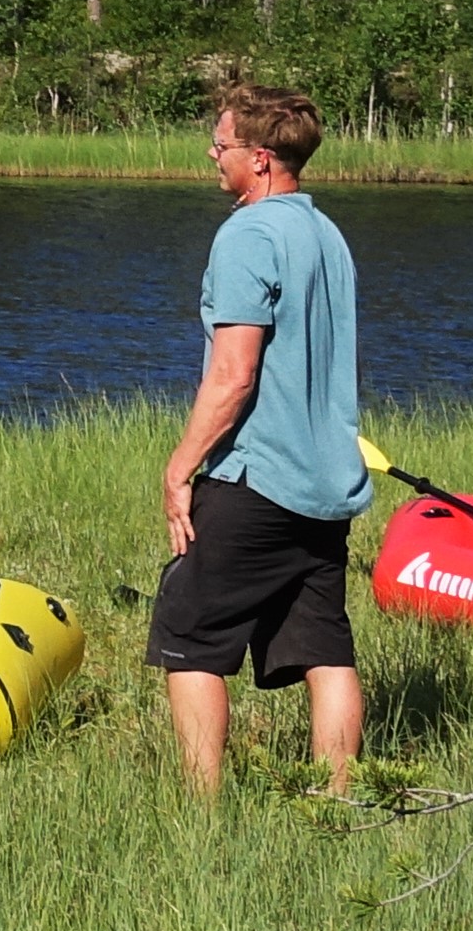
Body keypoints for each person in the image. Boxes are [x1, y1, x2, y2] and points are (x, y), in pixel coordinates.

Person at [146, 84, 373, 798]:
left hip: (256, 477)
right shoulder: (325, 233)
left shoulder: (247, 232)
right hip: (325, 485)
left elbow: (234, 371)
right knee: (323, 647)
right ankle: (336, 807)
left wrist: (180, 467)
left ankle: (200, 815)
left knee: (187, 636)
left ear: (262, 157)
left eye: (222, 144)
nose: (212, 154)